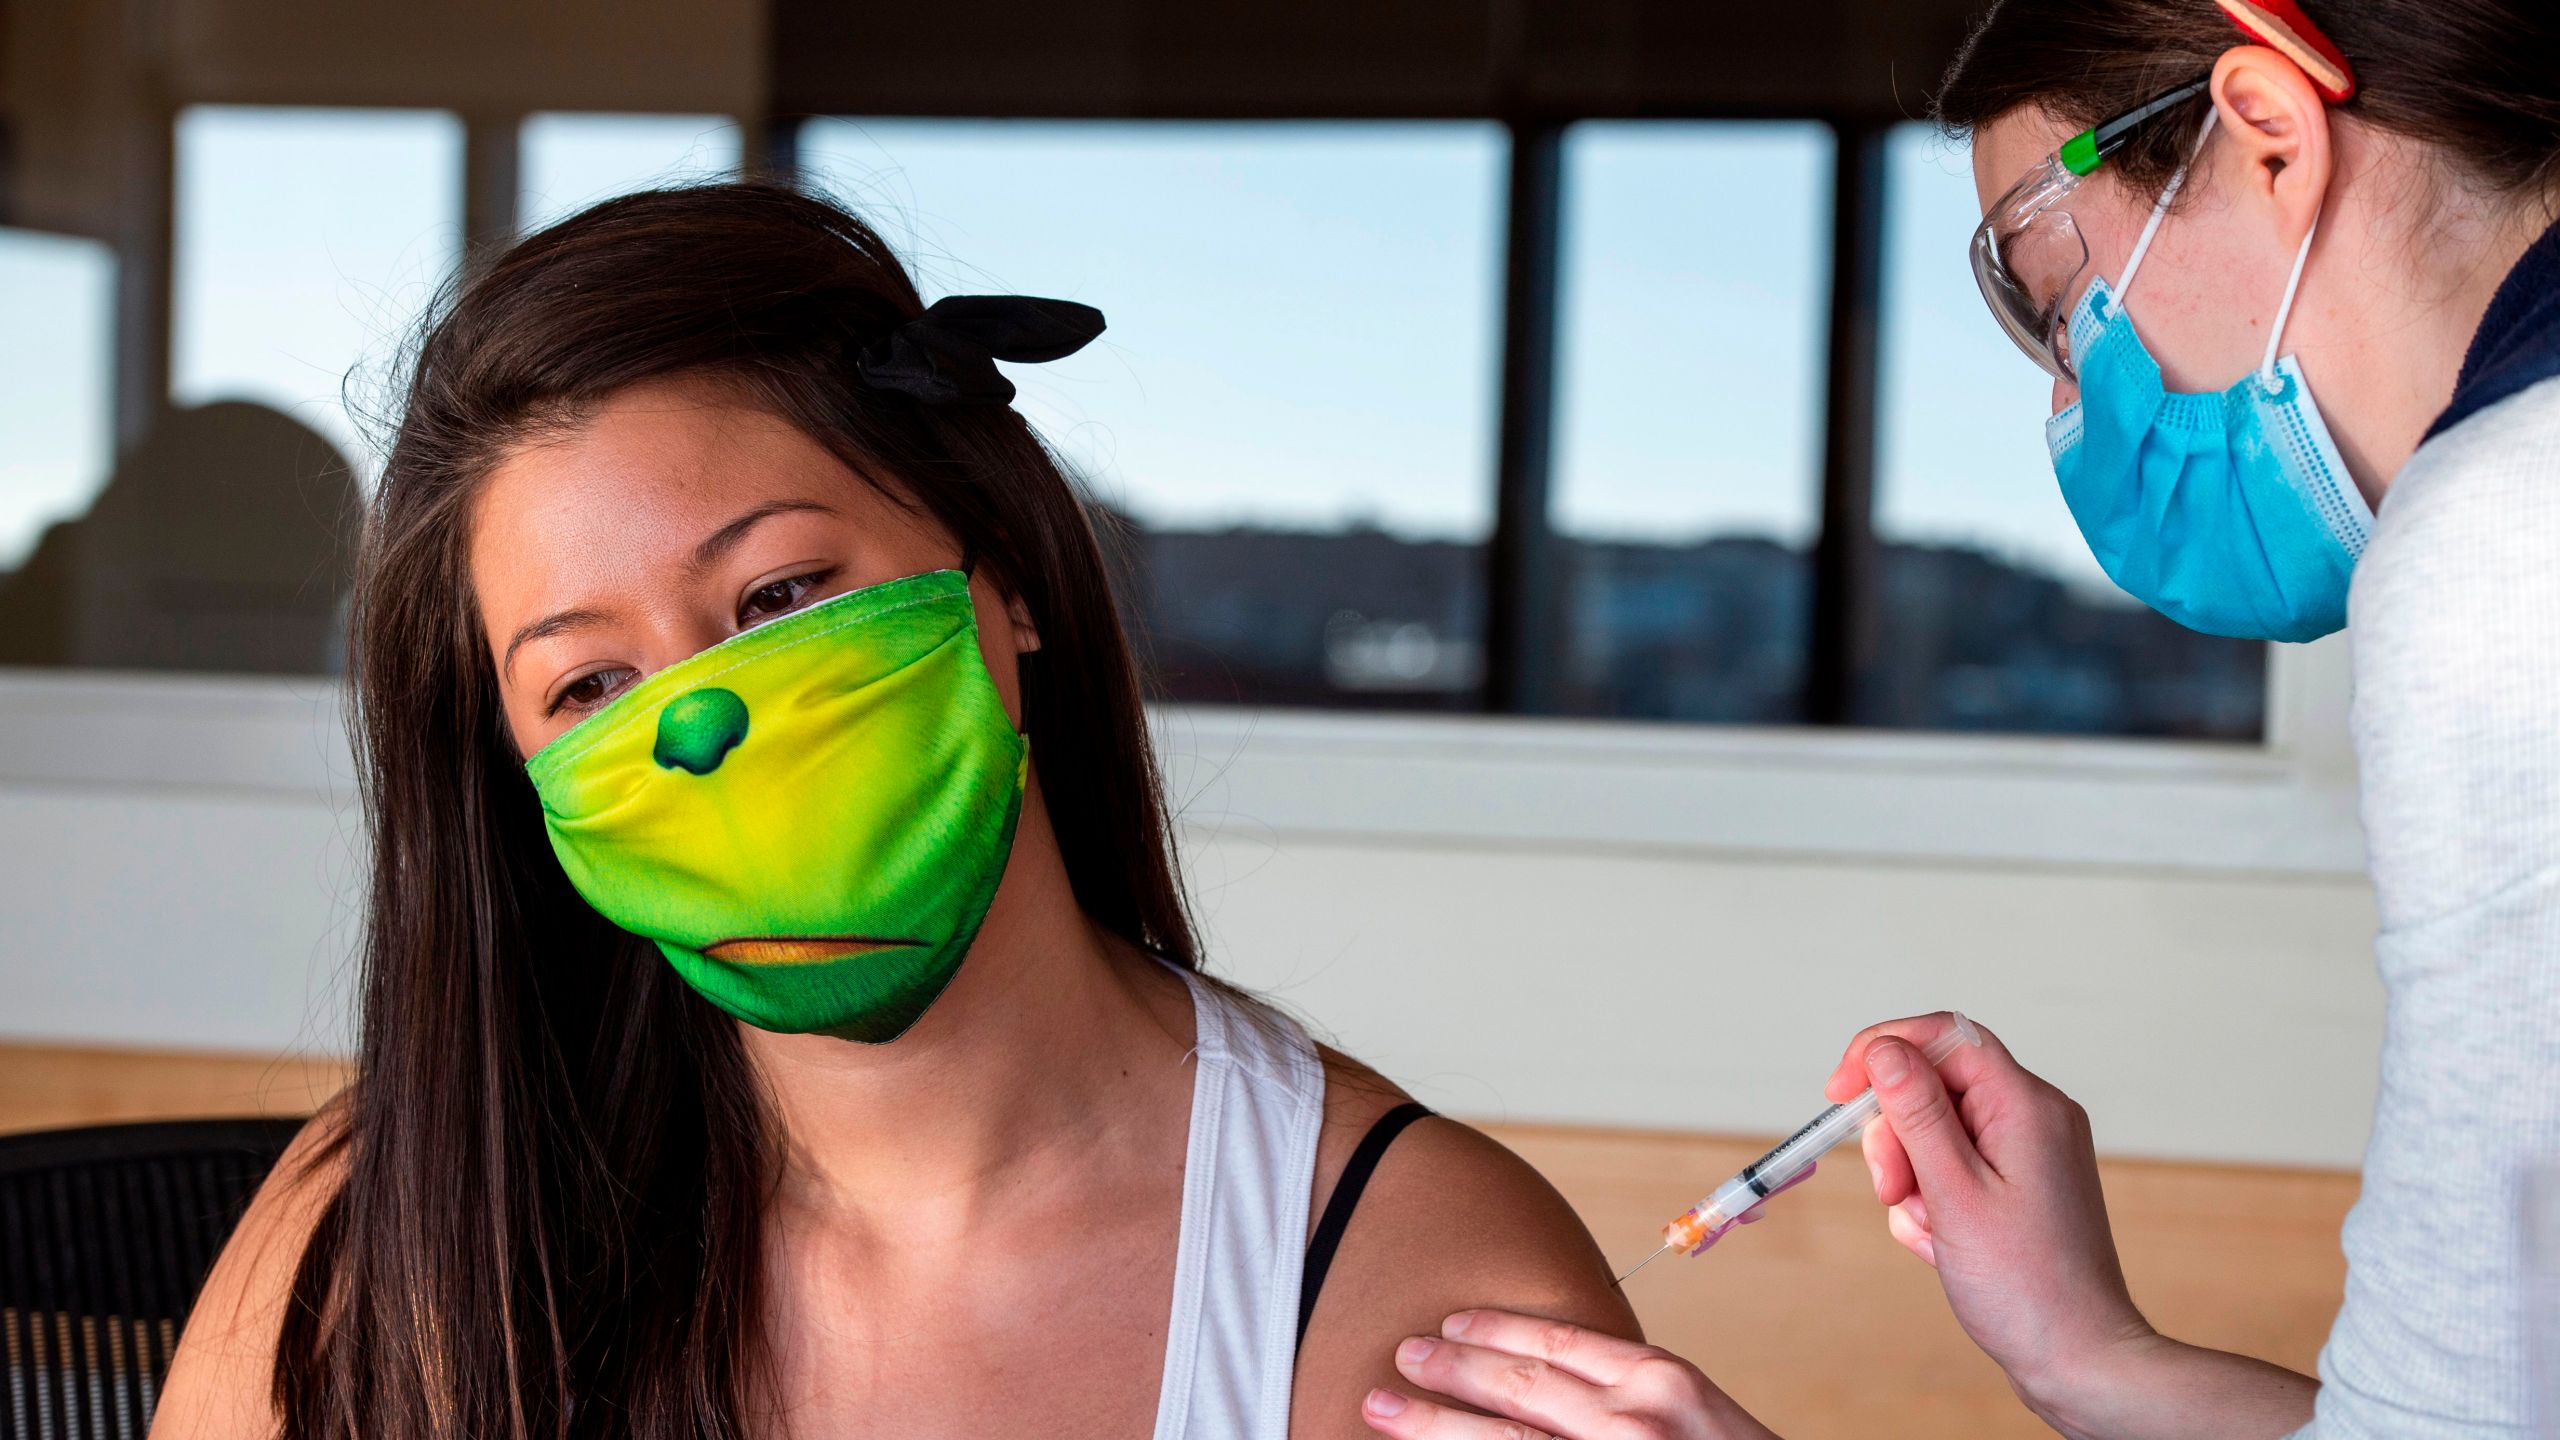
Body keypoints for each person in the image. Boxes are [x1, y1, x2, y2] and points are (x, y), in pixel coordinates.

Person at [152, 183, 1637, 1439]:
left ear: (1006, 579)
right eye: (590, 683)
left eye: (783, 595)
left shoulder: (1408, 1275)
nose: (705, 716)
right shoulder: (383, 1241)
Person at [1360, 0, 2560, 1436]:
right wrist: (2080, 1347)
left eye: (2062, 304)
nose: (2071, 402)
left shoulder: (2507, 540)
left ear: (2271, 138)